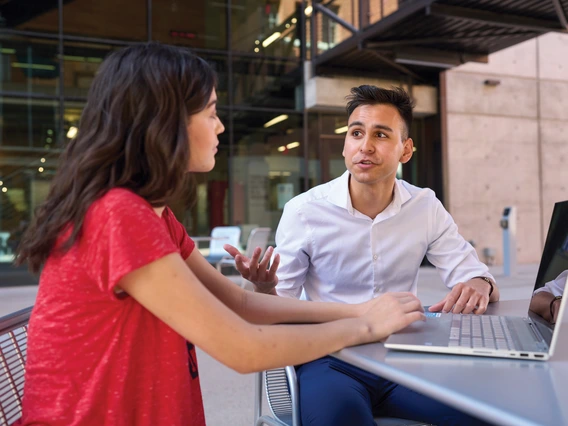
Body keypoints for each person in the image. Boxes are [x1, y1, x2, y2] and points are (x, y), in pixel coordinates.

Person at [13, 44, 426, 426]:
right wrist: (366, 327)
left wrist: (362, 310)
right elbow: (243, 348)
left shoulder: (154, 216)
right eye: (211, 112)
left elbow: (243, 303)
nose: (221, 126)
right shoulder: (118, 215)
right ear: (167, 121)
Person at [225, 85, 499, 426]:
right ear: (345, 145)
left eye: (381, 135)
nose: (365, 146)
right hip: (328, 356)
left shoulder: (425, 206)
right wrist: (264, 288)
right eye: (356, 133)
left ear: (406, 150)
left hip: (405, 354)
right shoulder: (305, 211)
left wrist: (478, 281)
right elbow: (276, 310)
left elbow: (472, 272)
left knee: (486, 416)